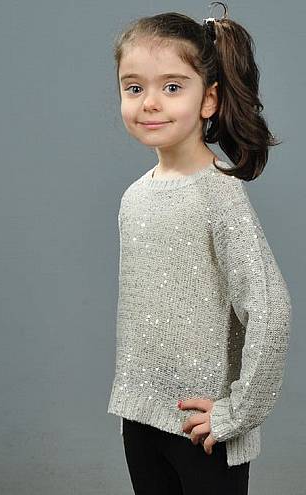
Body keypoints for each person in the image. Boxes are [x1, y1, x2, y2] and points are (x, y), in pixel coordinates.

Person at [106, 2, 292, 494]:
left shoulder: (219, 195)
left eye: (172, 87)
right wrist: (135, 402)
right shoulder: (134, 197)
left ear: (208, 100)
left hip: (202, 430)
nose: (150, 102)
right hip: (140, 419)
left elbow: (270, 308)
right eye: (133, 87)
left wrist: (237, 413)